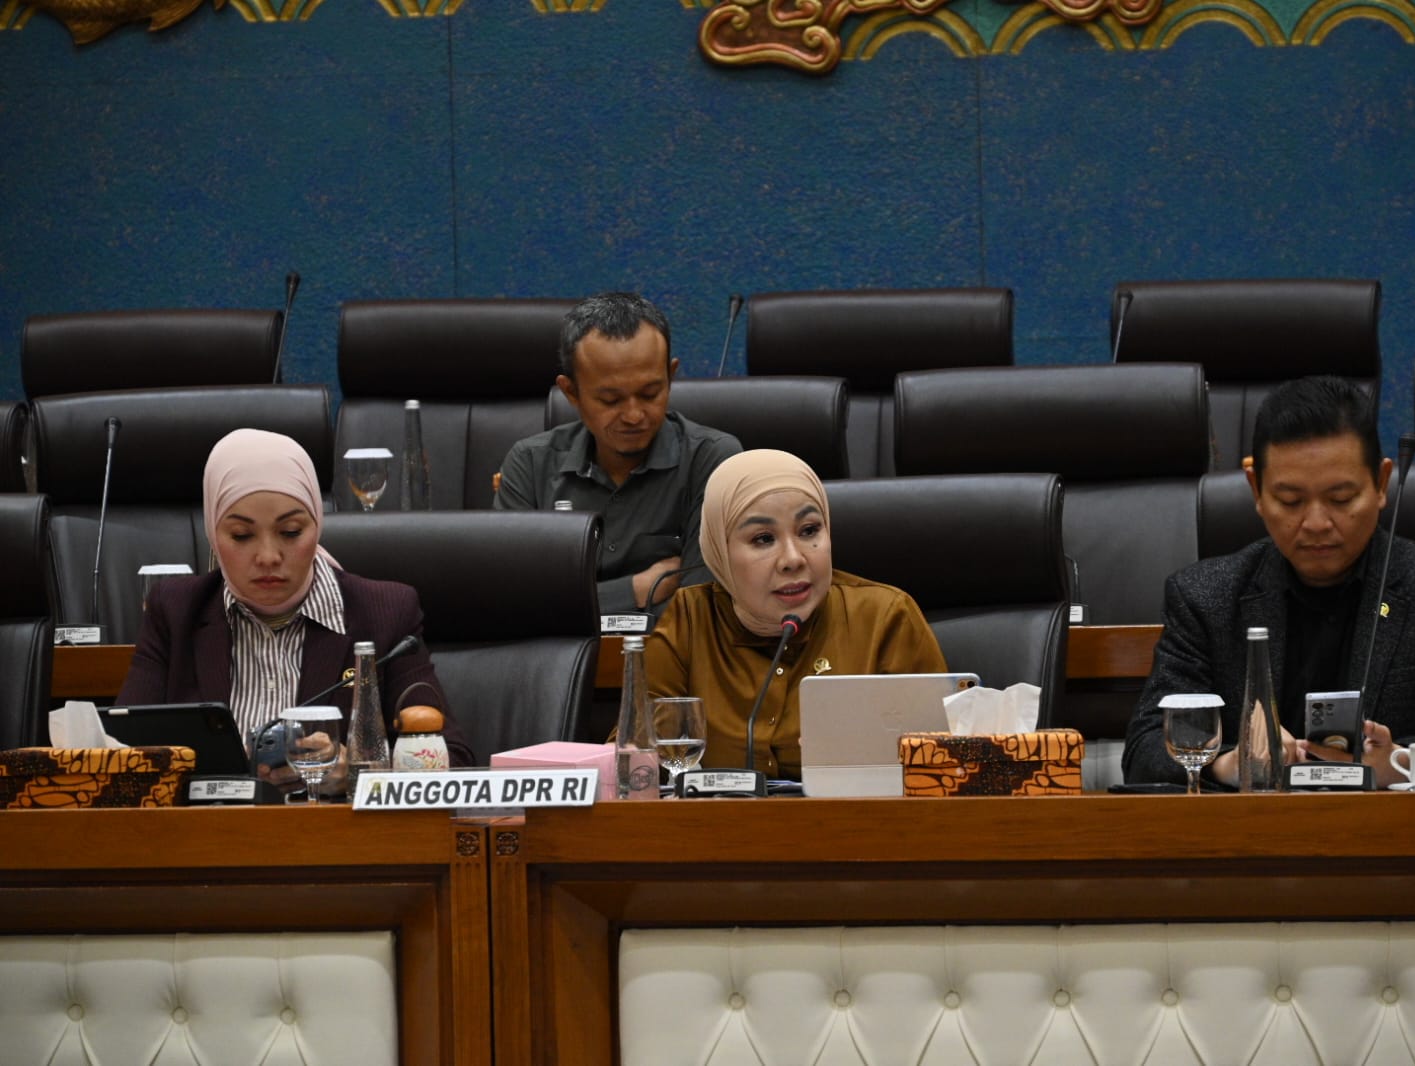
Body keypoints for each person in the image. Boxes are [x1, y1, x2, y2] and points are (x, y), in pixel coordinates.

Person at [1122, 375, 1415, 788]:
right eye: (1291, 501)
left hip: (1399, 843)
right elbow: (1144, 750)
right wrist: (1229, 763)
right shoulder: (1205, 598)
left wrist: (1399, 763)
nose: (1317, 523)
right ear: (1256, 489)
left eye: (1341, 499)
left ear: (1381, 484)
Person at [117, 429, 475, 791]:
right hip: (209, 838)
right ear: (212, 532)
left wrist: (355, 776)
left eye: (290, 532)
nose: (268, 557)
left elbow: (452, 762)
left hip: (335, 841)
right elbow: (120, 757)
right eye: (241, 535)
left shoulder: (385, 612)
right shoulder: (176, 611)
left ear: (316, 526)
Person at [645, 449, 948, 780]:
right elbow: (635, 764)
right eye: (763, 539)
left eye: (808, 531)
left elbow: (943, 768)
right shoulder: (690, 619)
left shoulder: (884, 617)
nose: (793, 559)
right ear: (719, 551)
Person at [495, 292, 742, 615]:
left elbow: (701, 607)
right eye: (611, 400)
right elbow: (514, 607)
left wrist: (576, 602)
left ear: (671, 376)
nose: (634, 415)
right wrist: (636, 589)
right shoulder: (530, 463)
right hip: (557, 665)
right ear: (571, 392)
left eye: (650, 393)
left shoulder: (713, 460)